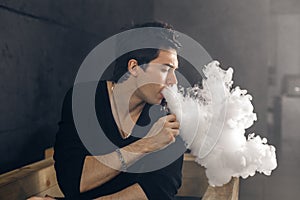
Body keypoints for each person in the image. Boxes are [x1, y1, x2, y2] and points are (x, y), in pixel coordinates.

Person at [53, 21, 187, 200]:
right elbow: (73, 181)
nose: (174, 82)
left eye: (174, 71)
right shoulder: (84, 100)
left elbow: (159, 191)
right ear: (134, 67)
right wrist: (147, 143)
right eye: (165, 69)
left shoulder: (169, 116)